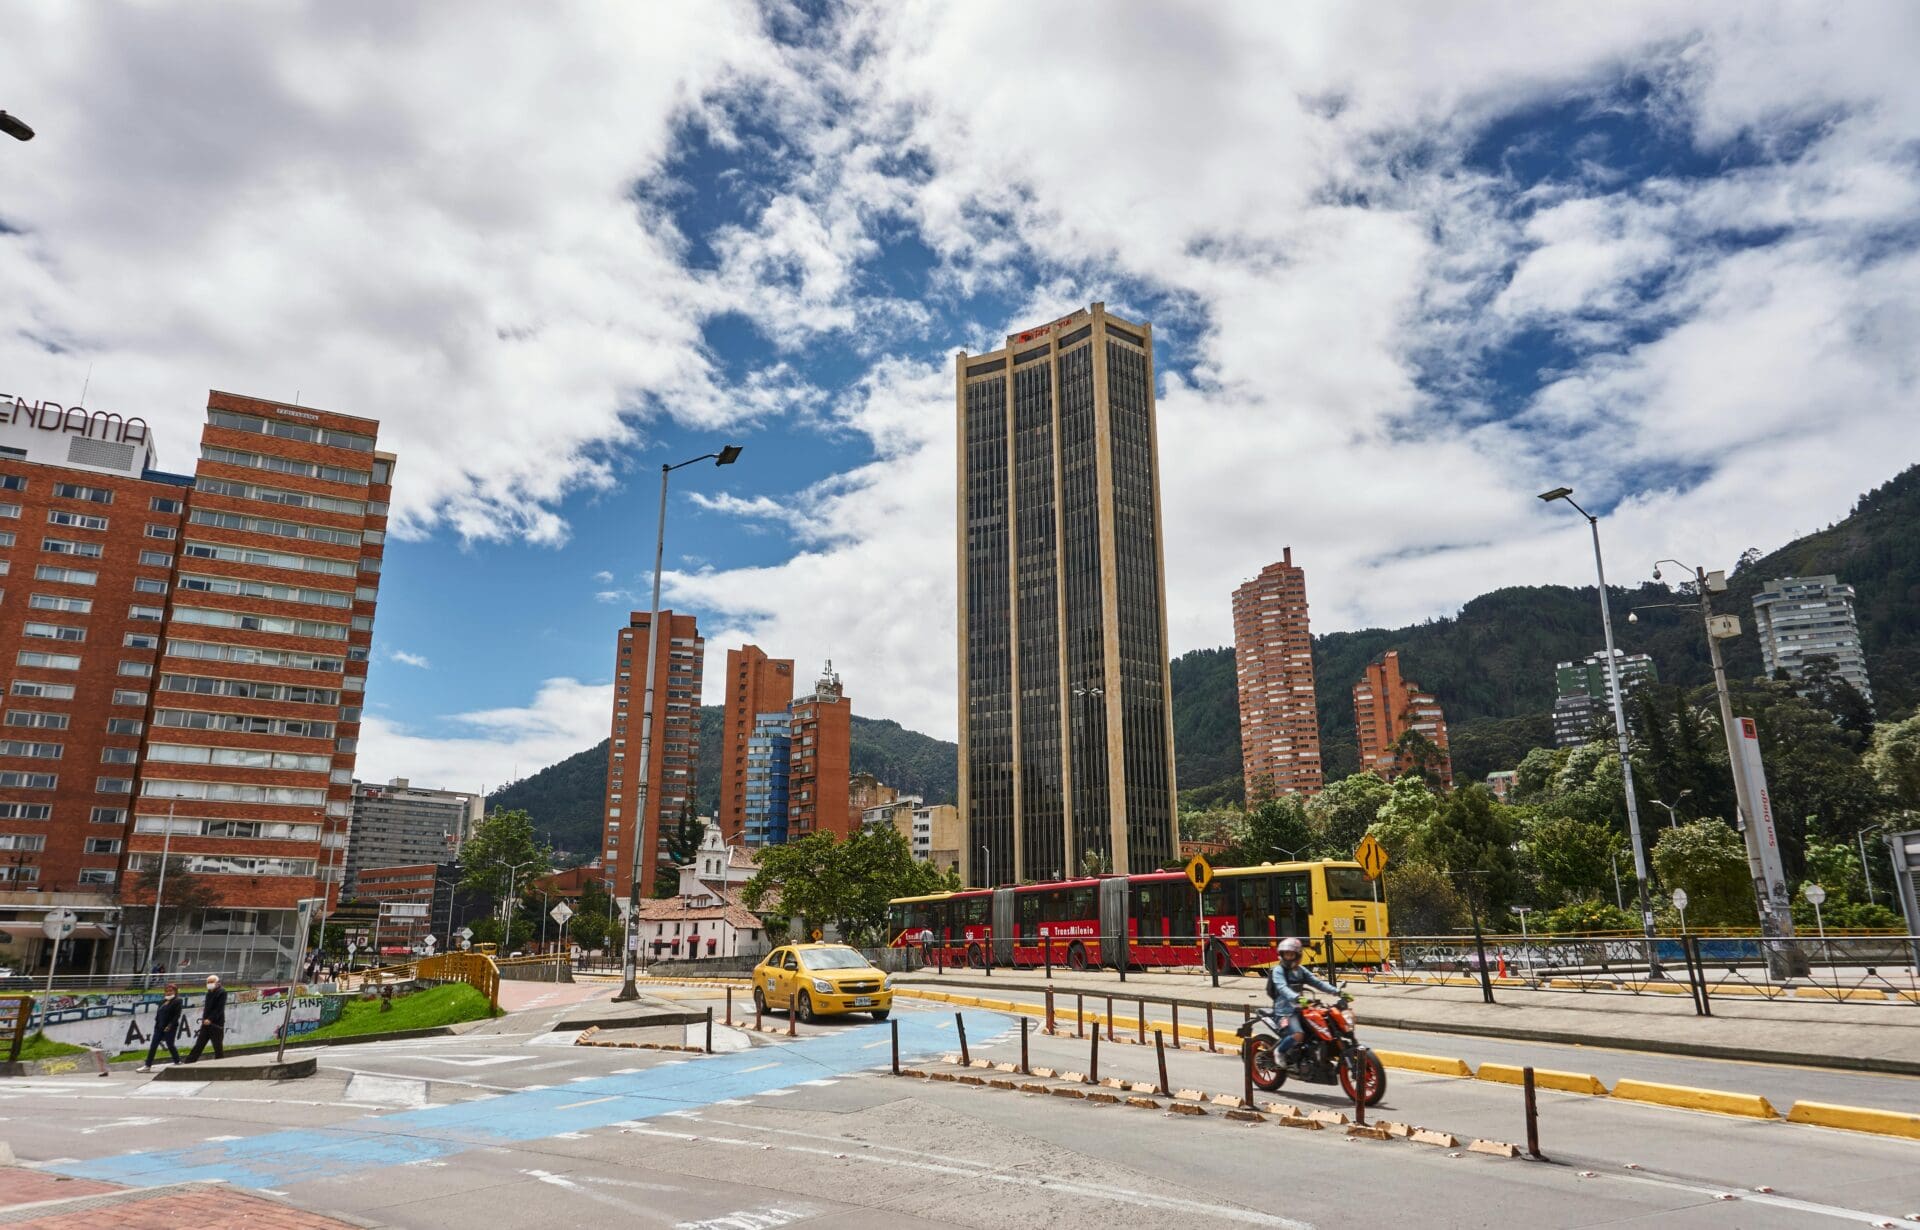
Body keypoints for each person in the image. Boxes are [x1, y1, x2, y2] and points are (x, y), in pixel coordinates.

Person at [1267, 937, 1344, 1062]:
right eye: (1286, 954)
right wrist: (1297, 997)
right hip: (1285, 1012)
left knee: (1324, 1025)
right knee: (1298, 1034)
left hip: (1301, 1008)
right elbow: (1282, 988)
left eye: (1291, 954)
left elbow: (1317, 983)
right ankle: (1279, 1052)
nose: (1288, 957)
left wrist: (1337, 992)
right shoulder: (1278, 970)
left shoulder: (1301, 970)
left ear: (1297, 955)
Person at [139, 984, 184, 1071]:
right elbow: (158, 1014)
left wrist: (169, 1025)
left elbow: (176, 1016)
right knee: (153, 1045)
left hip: (170, 1027)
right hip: (159, 1027)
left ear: (175, 991)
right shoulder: (162, 1002)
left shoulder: (177, 1001)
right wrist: (157, 1024)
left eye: (171, 991)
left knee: (170, 1044)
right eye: (167, 991)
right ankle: (147, 1065)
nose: (168, 992)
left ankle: (177, 1061)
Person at [184, 974, 227, 1063]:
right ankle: (189, 1062)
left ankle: (220, 1064)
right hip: (206, 1024)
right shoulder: (209, 993)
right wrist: (204, 1019)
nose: (209, 984)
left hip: (216, 1024)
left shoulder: (222, 992)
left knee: (218, 1046)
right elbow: (207, 1008)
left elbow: (219, 1009)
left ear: (217, 983)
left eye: (211, 982)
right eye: (208, 982)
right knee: (199, 1044)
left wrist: (210, 1019)